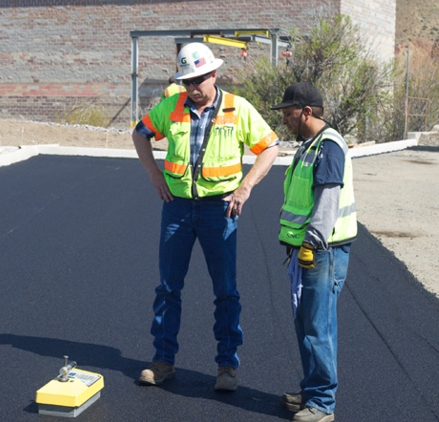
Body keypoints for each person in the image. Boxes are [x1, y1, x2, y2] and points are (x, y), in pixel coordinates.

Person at [132, 42, 279, 391]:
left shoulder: (237, 109)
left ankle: (226, 366)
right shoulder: (172, 107)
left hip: (220, 209)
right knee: (168, 287)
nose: (193, 87)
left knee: (225, 291)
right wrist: (154, 175)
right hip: (178, 209)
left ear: (214, 73)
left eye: (198, 79)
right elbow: (140, 134)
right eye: (187, 81)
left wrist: (245, 188)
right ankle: (163, 361)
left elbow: (270, 147)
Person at [271, 81, 357, 422]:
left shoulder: (329, 147)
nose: (285, 119)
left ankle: (322, 404)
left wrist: (310, 242)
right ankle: (312, 392)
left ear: (307, 111)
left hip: (323, 251)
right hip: (309, 250)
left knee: (318, 326)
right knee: (306, 323)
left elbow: (327, 201)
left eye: (289, 113)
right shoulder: (310, 146)